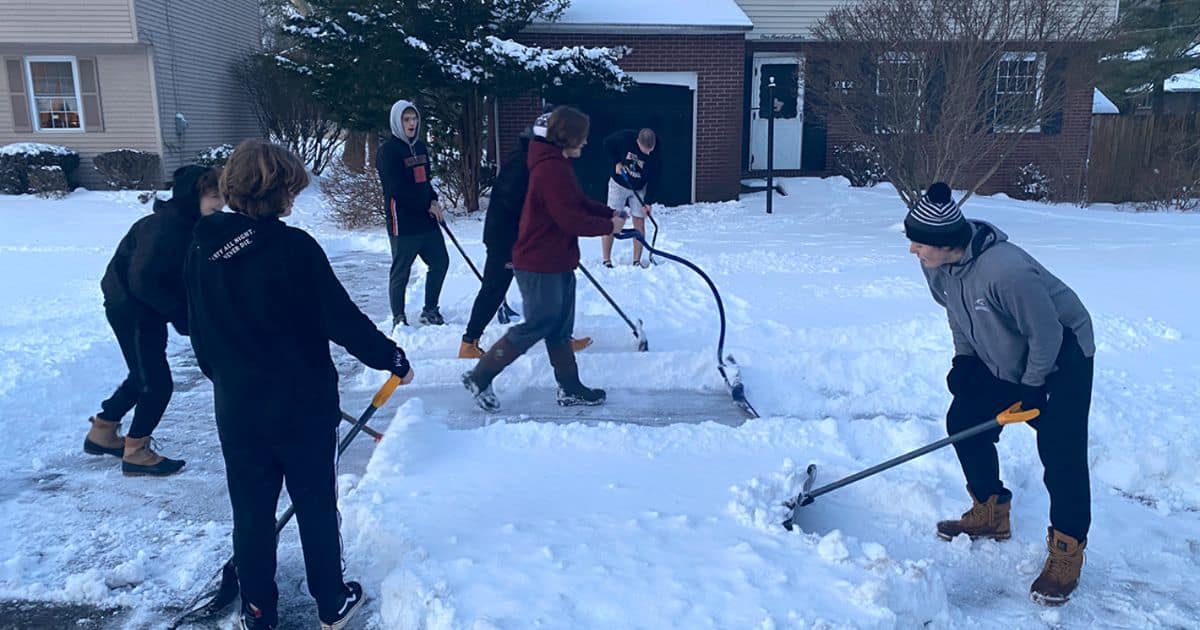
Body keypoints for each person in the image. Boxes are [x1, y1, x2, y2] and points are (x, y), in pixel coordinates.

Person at [185, 140, 414, 630]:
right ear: (279, 192)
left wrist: (226, 378)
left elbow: (199, 330)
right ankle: (331, 600)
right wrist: (391, 357)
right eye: (291, 190)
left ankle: (257, 610)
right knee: (314, 503)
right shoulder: (294, 249)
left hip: (237, 405)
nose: (294, 200)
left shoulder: (202, 248)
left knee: (251, 511)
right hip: (303, 406)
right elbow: (342, 320)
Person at [906, 182, 1095, 606]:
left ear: (943, 241)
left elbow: (1046, 332)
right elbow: (957, 314)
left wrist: (1032, 388)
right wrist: (965, 361)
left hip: (1062, 355)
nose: (913, 251)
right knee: (964, 423)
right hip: (1007, 348)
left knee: (1061, 452)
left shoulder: (1005, 271)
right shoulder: (936, 266)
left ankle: (1067, 550)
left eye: (919, 243)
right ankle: (991, 512)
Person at [462, 106, 623, 411]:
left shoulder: (556, 164)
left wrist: (608, 213)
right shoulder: (549, 168)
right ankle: (480, 375)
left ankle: (570, 387)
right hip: (538, 262)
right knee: (539, 323)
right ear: (567, 137)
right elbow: (569, 219)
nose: (586, 143)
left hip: (558, 259)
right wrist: (608, 227)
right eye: (582, 137)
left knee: (560, 327)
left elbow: (577, 203)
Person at [85, 165, 223, 476]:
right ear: (193, 196)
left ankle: (102, 431)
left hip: (143, 306)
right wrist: (182, 317)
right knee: (156, 383)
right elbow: (143, 280)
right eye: (214, 196)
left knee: (143, 374)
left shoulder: (188, 224)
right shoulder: (165, 228)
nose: (220, 203)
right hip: (131, 307)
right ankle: (136, 452)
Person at [458, 110, 592, 359]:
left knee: (563, 279)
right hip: (507, 237)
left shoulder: (542, 159)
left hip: (529, 236)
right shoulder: (522, 162)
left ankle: (563, 338)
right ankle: (469, 342)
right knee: (495, 287)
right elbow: (514, 202)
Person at [376, 98, 449, 327]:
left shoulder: (420, 147)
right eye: (406, 119)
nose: (412, 123)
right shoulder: (388, 152)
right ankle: (399, 316)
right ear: (397, 122)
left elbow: (424, 182)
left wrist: (434, 201)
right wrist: (425, 205)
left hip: (426, 221)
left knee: (440, 262)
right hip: (403, 223)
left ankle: (430, 309)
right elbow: (396, 189)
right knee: (401, 272)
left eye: (414, 118)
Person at [600, 127, 660, 268]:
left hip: (639, 187)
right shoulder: (624, 137)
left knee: (639, 221)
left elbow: (656, 178)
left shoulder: (657, 152)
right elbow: (607, 144)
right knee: (612, 219)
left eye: (651, 149)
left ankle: (636, 261)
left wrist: (648, 202)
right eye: (645, 149)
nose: (648, 152)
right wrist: (616, 162)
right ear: (637, 142)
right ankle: (606, 260)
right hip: (619, 183)